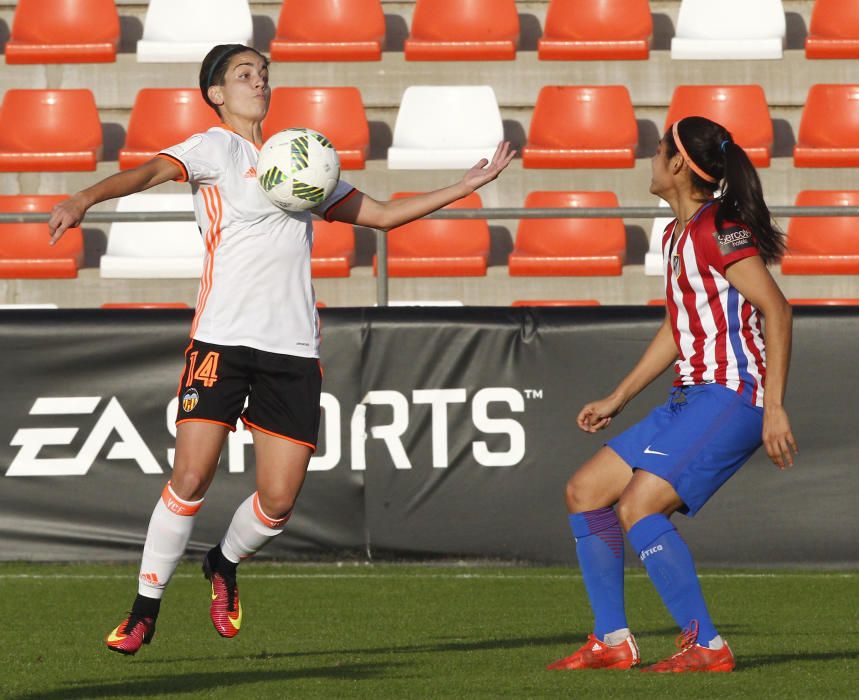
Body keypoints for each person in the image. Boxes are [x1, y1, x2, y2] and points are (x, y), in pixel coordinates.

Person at [48, 43, 515, 656]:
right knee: (190, 476)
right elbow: (148, 172)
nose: (258, 81)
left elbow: (380, 215)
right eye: (244, 74)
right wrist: (85, 197)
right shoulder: (212, 149)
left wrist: (464, 185)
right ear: (215, 93)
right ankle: (143, 611)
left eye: (263, 73)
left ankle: (222, 562)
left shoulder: (297, 163)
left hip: (291, 349)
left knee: (278, 501)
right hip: (221, 338)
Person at [547, 116, 798, 673]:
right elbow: (677, 327)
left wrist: (774, 407)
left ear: (679, 164)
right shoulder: (675, 234)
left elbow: (776, 309)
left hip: (732, 394)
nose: (651, 159)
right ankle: (611, 641)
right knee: (585, 490)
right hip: (692, 397)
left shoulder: (718, 226)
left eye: (659, 150)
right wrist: (618, 397)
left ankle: (706, 645)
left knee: (638, 505)